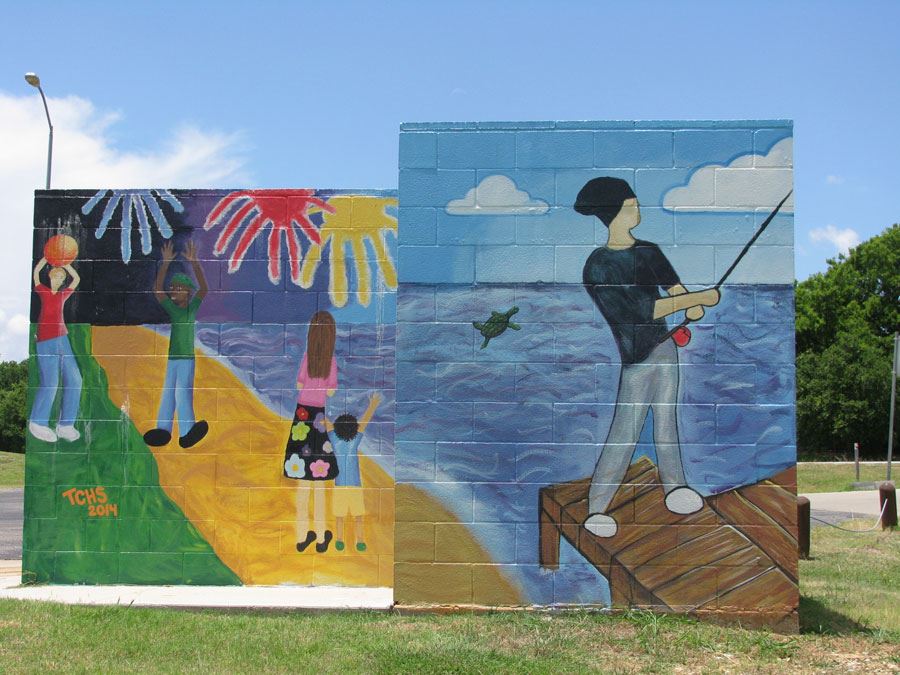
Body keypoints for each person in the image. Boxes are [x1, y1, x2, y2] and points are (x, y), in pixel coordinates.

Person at [577, 177, 721, 538]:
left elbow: (674, 290)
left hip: (665, 348)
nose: (638, 209)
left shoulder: (650, 252)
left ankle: (676, 488)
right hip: (636, 358)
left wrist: (691, 304)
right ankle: (597, 508)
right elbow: (643, 311)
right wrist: (697, 299)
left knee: (666, 422)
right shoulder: (598, 267)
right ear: (614, 213)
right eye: (631, 205)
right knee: (625, 431)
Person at [143, 240, 209, 448]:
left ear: (188, 292)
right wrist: (165, 264)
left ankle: (187, 430)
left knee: (182, 392)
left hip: (186, 358)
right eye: (172, 288)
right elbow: (158, 291)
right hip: (173, 358)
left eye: (178, 288)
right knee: (168, 391)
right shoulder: (174, 310)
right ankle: (163, 430)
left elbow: (203, 289)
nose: (173, 292)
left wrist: (194, 263)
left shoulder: (191, 309)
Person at [283, 311, 339, 553]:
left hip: (301, 417)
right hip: (318, 419)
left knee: (303, 485)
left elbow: (299, 384)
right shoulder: (331, 361)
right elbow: (331, 392)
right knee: (319, 483)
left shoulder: (306, 357)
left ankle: (301, 536)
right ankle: (321, 537)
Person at [29, 258, 83, 442]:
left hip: (62, 338)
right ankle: (38, 422)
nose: (59, 279)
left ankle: (66, 425)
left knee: (75, 379)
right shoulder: (43, 291)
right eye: (56, 276)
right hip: (45, 340)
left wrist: (66, 264)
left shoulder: (63, 295)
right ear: (51, 277)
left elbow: (76, 279)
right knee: (51, 382)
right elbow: (36, 273)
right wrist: (46, 259)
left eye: (61, 277)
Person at [325, 392, 381, 553]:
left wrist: (315, 401)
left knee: (339, 517)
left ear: (337, 426)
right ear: (354, 427)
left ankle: (339, 540)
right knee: (358, 517)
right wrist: (373, 404)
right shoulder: (356, 439)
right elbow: (365, 421)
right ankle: (360, 541)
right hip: (355, 485)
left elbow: (324, 420)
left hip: (339, 485)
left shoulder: (333, 438)